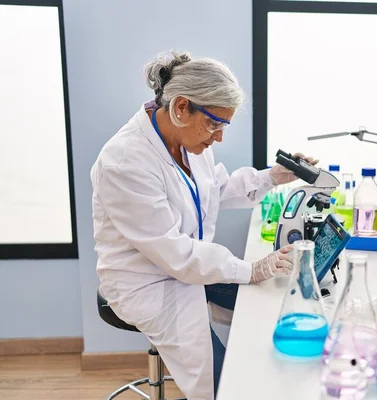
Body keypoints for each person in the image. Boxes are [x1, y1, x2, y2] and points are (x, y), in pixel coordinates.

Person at [91, 51, 317, 400]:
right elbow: (174, 252)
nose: (219, 138)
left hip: (189, 270)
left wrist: (273, 177)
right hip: (151, 284)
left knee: (266, 305)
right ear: (182, 107)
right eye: (215, 125)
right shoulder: (125, 161)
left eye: (224, 127)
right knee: (224, 383)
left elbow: (212, 190)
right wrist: (249, 268)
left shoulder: (188, 140)